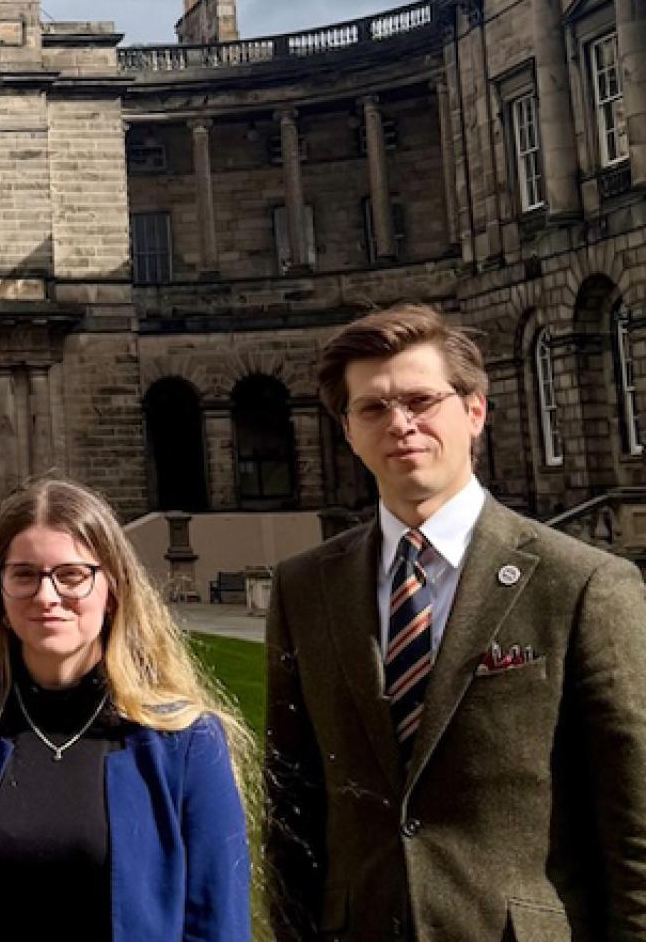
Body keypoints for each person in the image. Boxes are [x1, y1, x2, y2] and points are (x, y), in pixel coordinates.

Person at [266, 304, 646, 939]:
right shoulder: (304, 587)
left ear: (474, 412)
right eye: (373, 408)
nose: (401, 424)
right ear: (349, 431)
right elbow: (292, 804)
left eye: (420, 400)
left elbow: (633, 814)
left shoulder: (580, 582)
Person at [0, 478, 251, 941]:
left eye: (71, 575)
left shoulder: (185, 742)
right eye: (24, 575)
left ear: (112, 591)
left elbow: (217, 925)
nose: (47, 597)